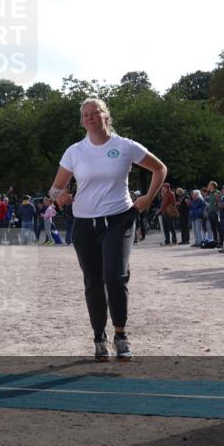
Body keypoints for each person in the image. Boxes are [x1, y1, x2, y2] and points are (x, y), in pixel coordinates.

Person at [48, 98, 167, 361]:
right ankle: (99, 337)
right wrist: (59, 195)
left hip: (119, 219)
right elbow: (54, 188)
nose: (90, 117)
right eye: (85, 114)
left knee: (114, 276)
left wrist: (148, 198)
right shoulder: (74, 151)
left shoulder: (125, 146)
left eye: (95, 112)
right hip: (84, 223)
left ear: (106, 116)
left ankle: (121, 335)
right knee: (93, 282)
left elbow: (160, 168)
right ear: (82, 121)